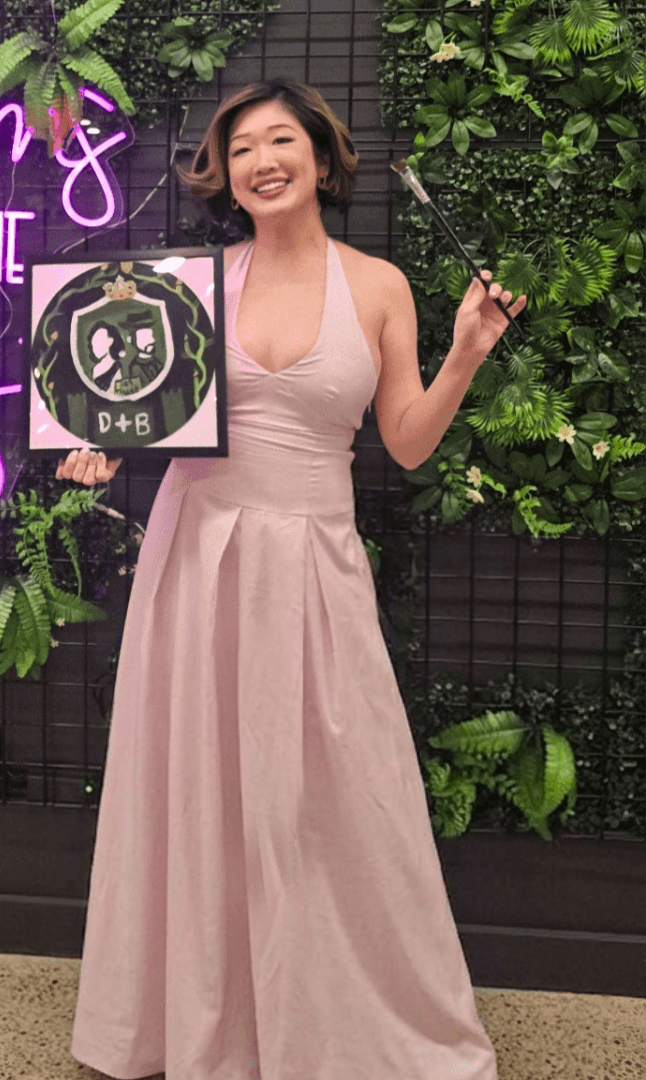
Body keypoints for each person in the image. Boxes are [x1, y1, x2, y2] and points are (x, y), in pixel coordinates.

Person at [60, 80, 525, 1080]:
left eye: (280, 141)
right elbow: (134, 399)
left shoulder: (380, 286)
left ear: (320, 157)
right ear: (224, 174)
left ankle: (329, 1025)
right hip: (197, 555)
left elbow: (406, 443)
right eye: (241, 149)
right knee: (195, 787)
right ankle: (193, 1026)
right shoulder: (187, 284)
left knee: (330, 798)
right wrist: (97, 442)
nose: (261, 161)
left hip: (313, 563)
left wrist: (465, 355)